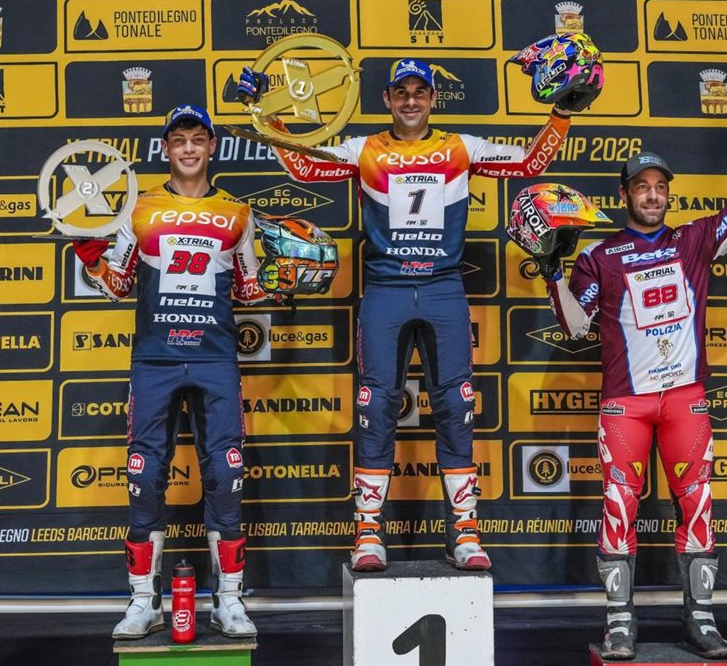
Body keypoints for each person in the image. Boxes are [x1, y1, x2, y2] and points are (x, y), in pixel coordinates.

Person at [236, 40, 603, 572]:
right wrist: (262, 111)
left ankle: (465, 533)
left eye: (420, 92)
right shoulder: (364, 148)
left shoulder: (461, 147)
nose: (411, 100)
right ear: (387, 98)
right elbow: (303, 168)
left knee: (456, 407)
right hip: (385, 290)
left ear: (433, 98)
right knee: (375, 407)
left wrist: (562, 113)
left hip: (442, 289)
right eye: (401, 92)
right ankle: (368, 534)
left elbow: (530, 160)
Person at [537, 105, 727, 660]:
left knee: (698, 503)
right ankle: (619, 623)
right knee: (618, 505)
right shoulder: (600, 257)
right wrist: (553, 271)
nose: (653, 195)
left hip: (685, 400)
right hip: (626, 405)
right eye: (642, 186)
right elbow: (576, 324)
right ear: (625, 195)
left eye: (660, 187)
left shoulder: (695, 240)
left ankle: (701, 620)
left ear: (668, 195)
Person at [74, 104, 268, 640]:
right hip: (155, 359)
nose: (188, 148)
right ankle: (144, 601)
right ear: (166, 148)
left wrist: (285, 275)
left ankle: (229, 600)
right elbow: (118, 286)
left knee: (225, 475)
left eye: (197, 139)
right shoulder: (137, 208)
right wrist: (93, 261)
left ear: (211, 147)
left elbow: (251, 289)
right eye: (179, 139)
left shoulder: (237, 212)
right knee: (144, 476)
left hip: (215, 357)